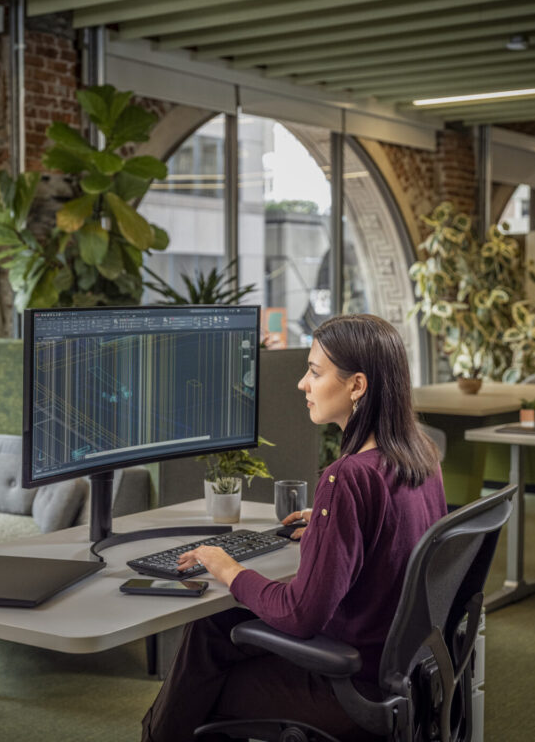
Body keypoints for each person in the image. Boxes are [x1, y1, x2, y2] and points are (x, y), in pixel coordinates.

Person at [141, 314, 446, 741]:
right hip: (400, 671)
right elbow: (394, 535)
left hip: (350, 684)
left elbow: (301, 614)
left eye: (315, 373)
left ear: (357, 386)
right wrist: (329, 528)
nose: (303, 383)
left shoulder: (348, 476)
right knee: (214, 627)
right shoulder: (420, 455)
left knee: (200, 684)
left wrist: (225, 566)